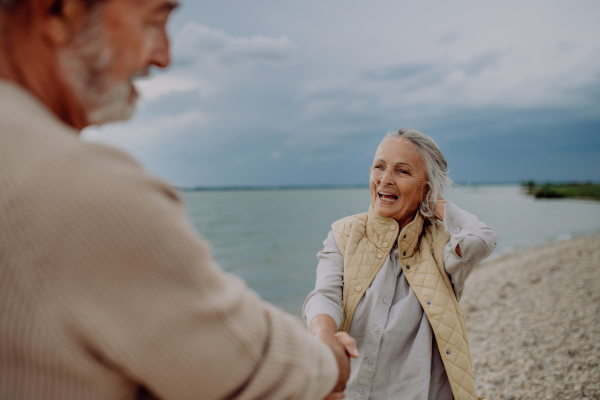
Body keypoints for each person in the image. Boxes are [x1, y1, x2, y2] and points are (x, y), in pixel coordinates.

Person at [0, 0, 356, 399]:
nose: (164, 56)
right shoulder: (82, 188)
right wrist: (332, 361)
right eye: (154, 20)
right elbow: (244, 367)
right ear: (59, 12)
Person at [303, 128, 497, 400]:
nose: (385, 179)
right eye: (379, 167)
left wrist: (436, 203)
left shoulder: (443, 244)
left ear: (427, 186)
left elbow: (481, 239)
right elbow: (325, 295)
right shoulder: (343, 233)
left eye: (403, 171)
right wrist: (324, 334)